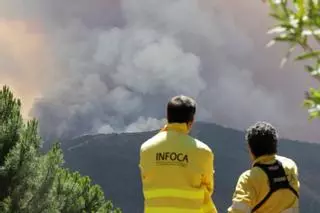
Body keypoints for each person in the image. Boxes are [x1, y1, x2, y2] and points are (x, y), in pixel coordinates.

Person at [139, 95, 217, 213]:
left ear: (168, 117)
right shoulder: (203, 152)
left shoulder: (146, 149)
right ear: (191, 122)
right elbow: (208, 188)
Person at [228, 121, 300, 213]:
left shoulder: (249, 179)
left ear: (250, 149)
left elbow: (238, 211)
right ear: (275, 144)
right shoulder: (291, 166)